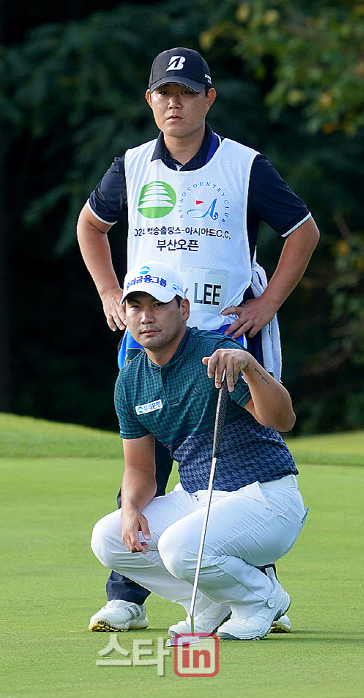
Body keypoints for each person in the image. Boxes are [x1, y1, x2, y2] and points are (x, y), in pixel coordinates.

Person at [78, 46, 319, 632]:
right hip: (149, 330)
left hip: (227, 334)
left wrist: (266, 304)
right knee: (146, 465)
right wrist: (111, 295)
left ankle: (255, 588)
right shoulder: (131, 166)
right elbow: (91, 225)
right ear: (150, 100)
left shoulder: (244, 166)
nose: (174, 103)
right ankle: (128, 595)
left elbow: (303, 232)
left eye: (187, 93)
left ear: (208, 99)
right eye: (164, 93)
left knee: (242, 464)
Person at [91, 263, 308, 640]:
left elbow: (283, 419)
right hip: (199, 498)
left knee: (178, 547)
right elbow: (140, 470)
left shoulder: (215, 354)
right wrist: (129, 510)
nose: (146, 317)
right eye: (135, 307)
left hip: (266, 497)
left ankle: (261, 598)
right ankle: (212, 602)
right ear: (124, 314)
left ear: (184, 309)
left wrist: (251, 365)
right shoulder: (131, 380)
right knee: (108, 536)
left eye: (158, 305)